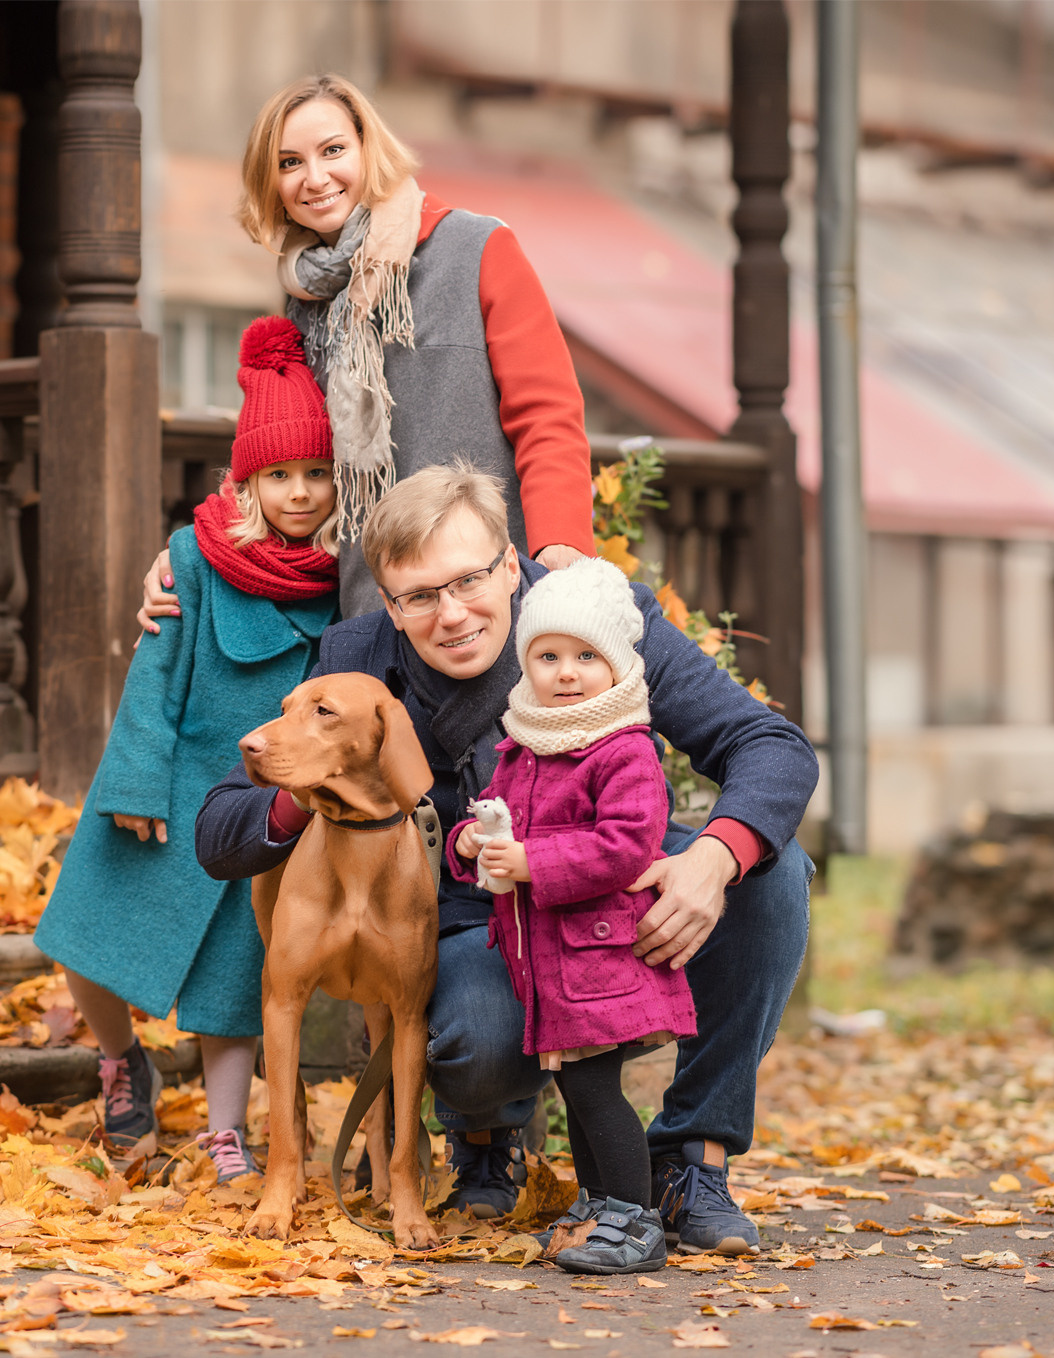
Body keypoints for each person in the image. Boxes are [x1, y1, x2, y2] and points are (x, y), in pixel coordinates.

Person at [195, 464, 818, 1253]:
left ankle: (692, 1157)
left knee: (773, 871)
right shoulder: (358, 659)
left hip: (616, 889)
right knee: (468, 1038)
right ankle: (486, 1137)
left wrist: (715, 858)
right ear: (388, 603)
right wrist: (311, 782)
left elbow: (771, 745)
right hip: (479, 930)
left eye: (470, 581)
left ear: (512, 564)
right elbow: (221, 833)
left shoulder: (592, 620)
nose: (451, 616)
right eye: (419, 596)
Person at [35, 316, 341, 1183]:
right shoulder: (195, 559)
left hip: (262, 809)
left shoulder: (341, 579)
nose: (300, 493)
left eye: (318, 474)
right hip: (166, 786)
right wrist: (133, 777)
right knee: (87, 935)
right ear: (246, 481)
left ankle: (224, 1134)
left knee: (233, 982)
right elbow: (154, 677)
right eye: (280, 475)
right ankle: (119, 1059)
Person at [140, 72, 594, 627]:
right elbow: (280, 458)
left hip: (490, 598)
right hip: (373, 608)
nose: (315, 177)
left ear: (368, 149)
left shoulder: (478, 248)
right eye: (289, 163)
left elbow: (547, 415)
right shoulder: (302, 299)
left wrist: (560, 554)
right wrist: (187, 558)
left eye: (333, 150)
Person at [450, 557, 697, 1273]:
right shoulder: (522, 746)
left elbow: (625, 846)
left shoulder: (625, 750)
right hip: (549, 964)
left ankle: (636, 1218)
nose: (565, 672)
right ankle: (598, 1204)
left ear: (617, 667)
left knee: (593, 1086)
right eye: (549, 655)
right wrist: (475, 843)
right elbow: (496, 825)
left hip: (601, 961)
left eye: (586, 657)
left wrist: (534, 863)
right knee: (576, 1085)